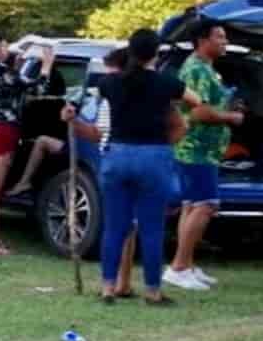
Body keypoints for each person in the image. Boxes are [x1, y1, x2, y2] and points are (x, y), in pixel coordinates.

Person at [93, 28, 189, 306]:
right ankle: (152, 291)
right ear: (156, 54)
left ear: (130, 51)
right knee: (151, 228)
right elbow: (194, 101)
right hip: (153, 156)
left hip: (118, 154)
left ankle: (108, 288)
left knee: (114, 227)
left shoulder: (110, 83)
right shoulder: (166, 83)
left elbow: (97, 94)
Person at [165, 19, 244, 292]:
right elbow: (197, 112)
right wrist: (230, 116)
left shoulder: (209, 69)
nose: (225, 42)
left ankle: (186, 264)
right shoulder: (197, 69)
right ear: (202, 40)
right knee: (206, 205)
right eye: (219, 37)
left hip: (206, 150)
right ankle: (177, 268)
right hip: (195, 149)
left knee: (192, 204)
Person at [0, 30, 53, 256]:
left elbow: (10, 86)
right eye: (4, 46)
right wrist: (46, 66)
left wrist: (18, 61)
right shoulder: (1, 72)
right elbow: (37, 88)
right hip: (1, 133)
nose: (8, 50)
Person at [64, 46, 137, 298]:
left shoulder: (120, 95)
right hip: (129, 159)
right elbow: (97, 133)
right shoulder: (124, 95)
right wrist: (75, 122)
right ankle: (122, 282)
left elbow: (98, 133)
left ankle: (117, 283)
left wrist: (75, 122)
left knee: (121, 223)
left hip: (121, 158)